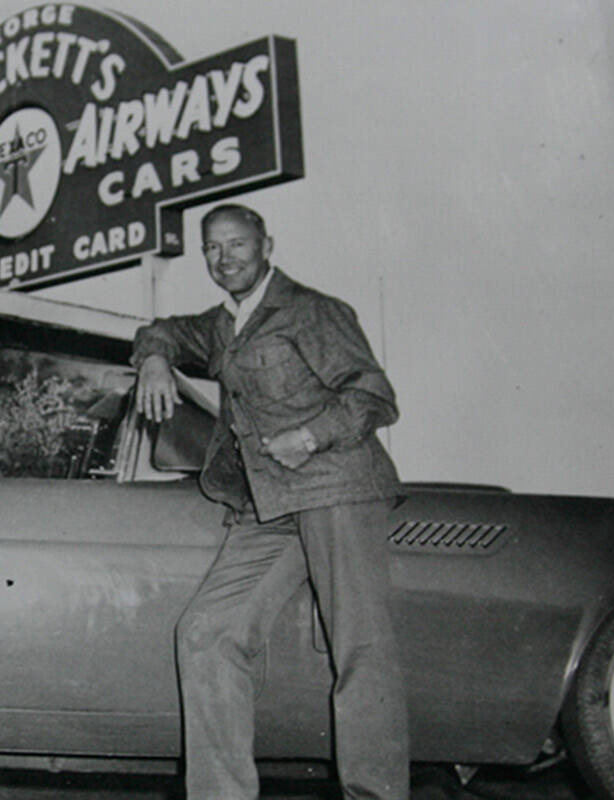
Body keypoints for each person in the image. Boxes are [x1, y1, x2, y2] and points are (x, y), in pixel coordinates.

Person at [132, 204, 408, 799]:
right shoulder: (223, 325)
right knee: (206, 632)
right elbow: (163, 330)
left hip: (336, 485)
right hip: (268, 504)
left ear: (267, 245)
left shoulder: (312, 311)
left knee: (360, 652)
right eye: (212, 248)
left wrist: (309, 436)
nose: (225, 257)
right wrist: (153, 358)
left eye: (237, 244)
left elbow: (375, 395)